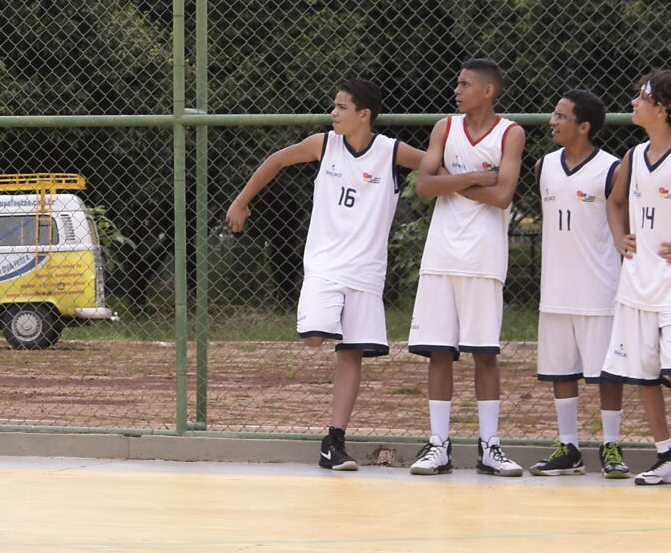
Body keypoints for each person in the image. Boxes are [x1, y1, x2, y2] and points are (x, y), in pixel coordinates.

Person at [225, 78, 422, 470]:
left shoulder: (391, 152)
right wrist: (242, 201)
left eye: (342, 107)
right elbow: (277, 160)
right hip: (326, 266)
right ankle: (332, 434)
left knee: (351, 355)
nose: (333, 113)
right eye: (334, 106)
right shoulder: (324, 144)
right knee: (315, 337)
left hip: (366, 272)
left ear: (364, 115)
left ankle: (334, 441)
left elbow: (436, 164)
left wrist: (479, 174)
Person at [405, 59, 526, 476]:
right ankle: (438, 445)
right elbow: (424, 186)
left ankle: (490, 446)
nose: (457, 90)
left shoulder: (512, 132)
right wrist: (477, 176)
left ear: (488, 91)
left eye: (465, 84)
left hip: (483, 258)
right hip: (441, 256)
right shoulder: (445, 127)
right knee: (439, 352)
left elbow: (504, 195)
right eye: (457, 83)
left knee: (484, 354)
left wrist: (450, 180)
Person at [530, 89, 626, 477]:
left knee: (606, 374)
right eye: (554, 115)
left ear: (583, 127)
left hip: (599, 288)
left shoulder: (613, 169)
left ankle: (611, 445)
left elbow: (624, 223)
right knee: (560, 371)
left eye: (560, 116)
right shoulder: (543, 166)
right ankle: (568, 446)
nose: (552, 121)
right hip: (556, 289)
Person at [602, 70, 671, 486]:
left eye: (640, 97)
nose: (633, 103)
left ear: (663, 108)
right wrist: (619, 238)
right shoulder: (633, 156)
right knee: (643, 375)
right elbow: (614, 202)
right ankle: (666, 454)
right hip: (638, 280)